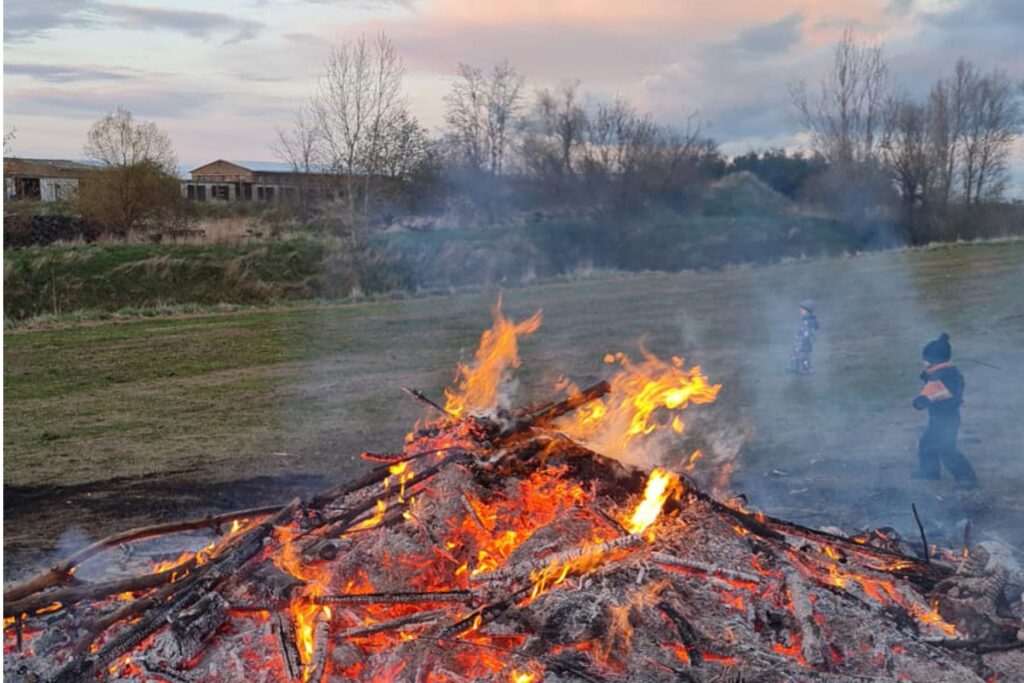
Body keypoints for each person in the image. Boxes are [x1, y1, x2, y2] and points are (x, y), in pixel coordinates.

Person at [912, 333, 978, 488]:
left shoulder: (941, 377)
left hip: (946, 418)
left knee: (946, 448)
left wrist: (921, 401)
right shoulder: (948, 371)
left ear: (933, 360)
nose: (924, 362)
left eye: (926, 359)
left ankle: (966, 477)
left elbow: (932, 392)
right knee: (927, 443)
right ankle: (929, 471)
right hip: (941, 417)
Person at [790, 300, 818, 374]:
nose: (800, 312)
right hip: (801, 341)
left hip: (805, 342)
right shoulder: (805, 320)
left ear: (807, 311)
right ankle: (796, 368)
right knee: (796, 354)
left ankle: (806, 369)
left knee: (804, 356)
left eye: (802, 310)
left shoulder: (809, 321)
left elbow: (808, 333)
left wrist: (803, 340)